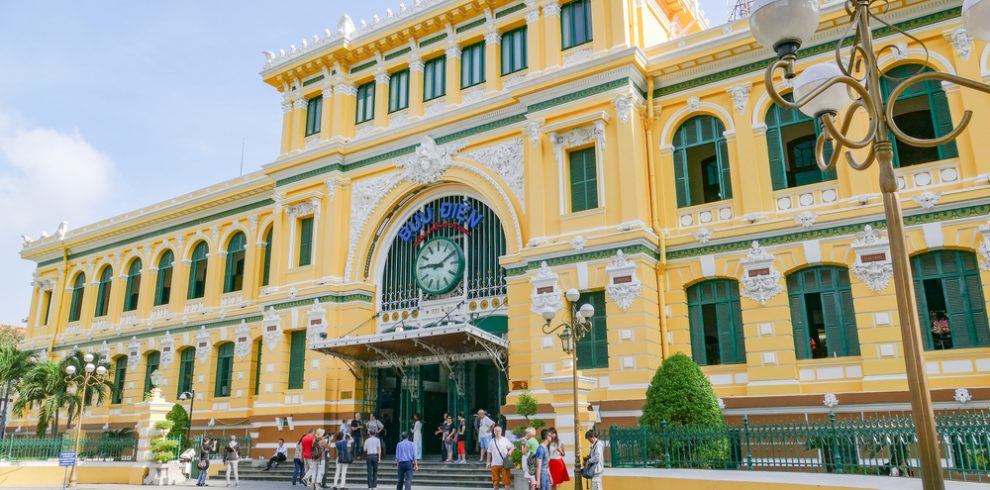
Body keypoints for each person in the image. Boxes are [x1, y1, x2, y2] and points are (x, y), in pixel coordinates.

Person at [487, 426, 514, 490]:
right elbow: (489, 452)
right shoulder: (491, 441)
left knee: (506, 481)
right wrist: (488, 462)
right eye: (496, 431)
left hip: (504, 464)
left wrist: (510, 451)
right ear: (494, 432)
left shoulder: (505, 439)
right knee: (495, 482)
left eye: (499, 431)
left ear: (501, 432)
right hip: (494, 464)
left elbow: (512, 447)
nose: (497, 432)